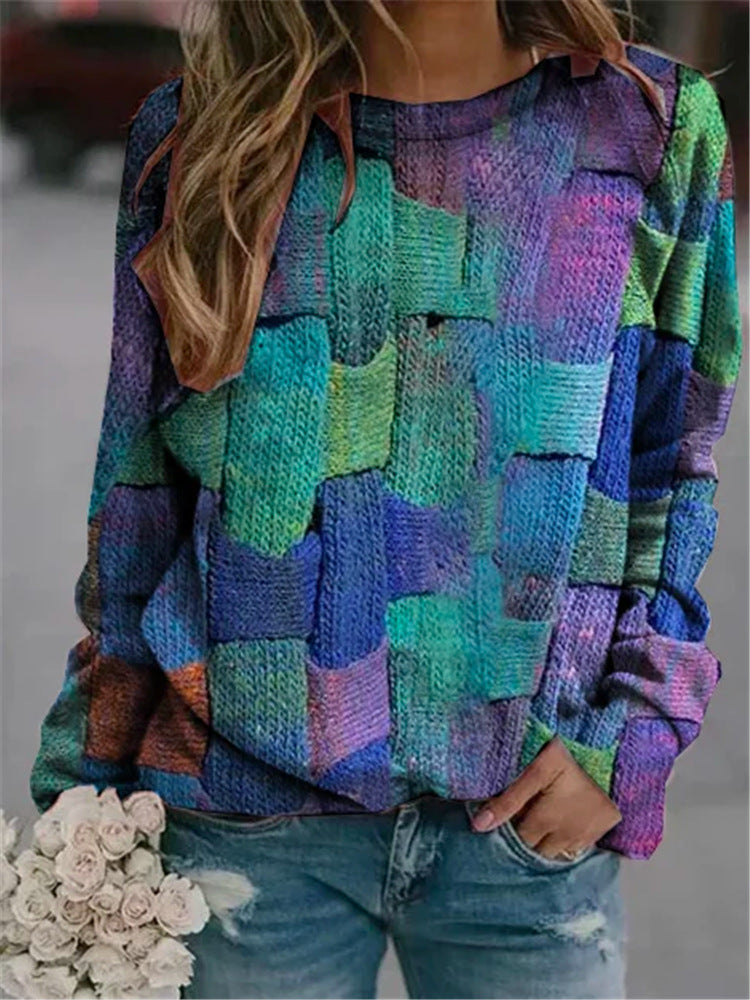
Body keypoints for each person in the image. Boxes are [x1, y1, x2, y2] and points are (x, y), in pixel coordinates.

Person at [29, 1, 743, 997]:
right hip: (240, 824)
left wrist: (632, 732)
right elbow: (138, 497)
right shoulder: (204, 135)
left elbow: (674, 464)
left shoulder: (648, 128)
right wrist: (85, 794)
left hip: (526, 828)